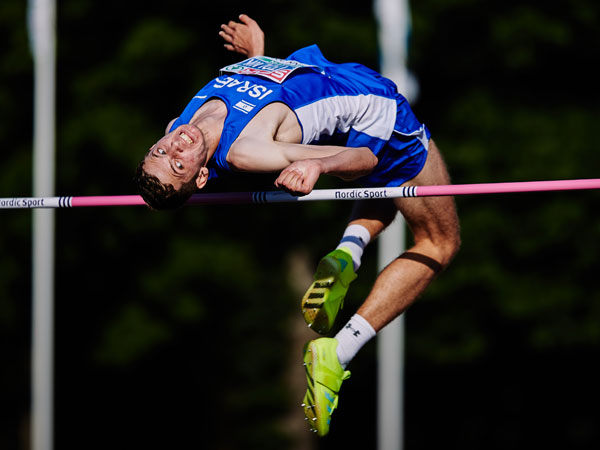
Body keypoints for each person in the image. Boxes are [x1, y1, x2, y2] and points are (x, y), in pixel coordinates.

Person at [135, 14, 460, 436]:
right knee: (439, 241)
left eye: (162, 151)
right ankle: (338, 351)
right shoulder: (248, 152)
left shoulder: (182, 121)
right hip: (375, 111)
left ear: (158, 139)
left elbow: (269, 96)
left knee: (388, 190)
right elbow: (366, 160)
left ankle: (349, 252)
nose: (176, 145)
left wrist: (257, 54)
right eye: (178, 164)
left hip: (343, 90)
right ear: (199, 178)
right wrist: (315, 164)